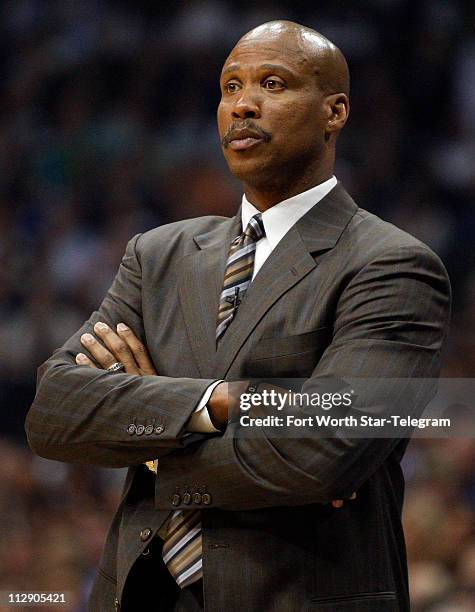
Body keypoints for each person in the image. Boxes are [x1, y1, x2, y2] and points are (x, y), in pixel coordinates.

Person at [25, 20, 451, 612]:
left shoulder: (391, 264)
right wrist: (217, 403)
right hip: (140, 594)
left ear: (336, 112)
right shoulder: (157, 254)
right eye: (229, 88)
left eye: (272, 84)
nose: (243, 105)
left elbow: (324, 454)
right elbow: (54, 412)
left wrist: (148, 437)